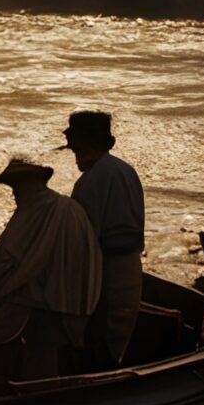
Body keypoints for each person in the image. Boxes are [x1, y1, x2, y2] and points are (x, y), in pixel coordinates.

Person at [0, 156, 103, 383]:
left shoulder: (37, 211)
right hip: (80, 302)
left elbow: (14, 264)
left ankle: (32, 398)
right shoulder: (66, 207)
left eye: (16, 188)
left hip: (49, 303)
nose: (14, 194)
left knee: (38, 362)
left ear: (28, 185)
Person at [64, 109, 145, 367]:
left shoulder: (91, 180)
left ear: (84, 148)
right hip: (131, 266)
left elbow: (85, 238)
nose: (75, 158)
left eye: (76, 151)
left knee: (99, 335)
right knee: (118, 333)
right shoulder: (126, 171)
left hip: (108, 269)